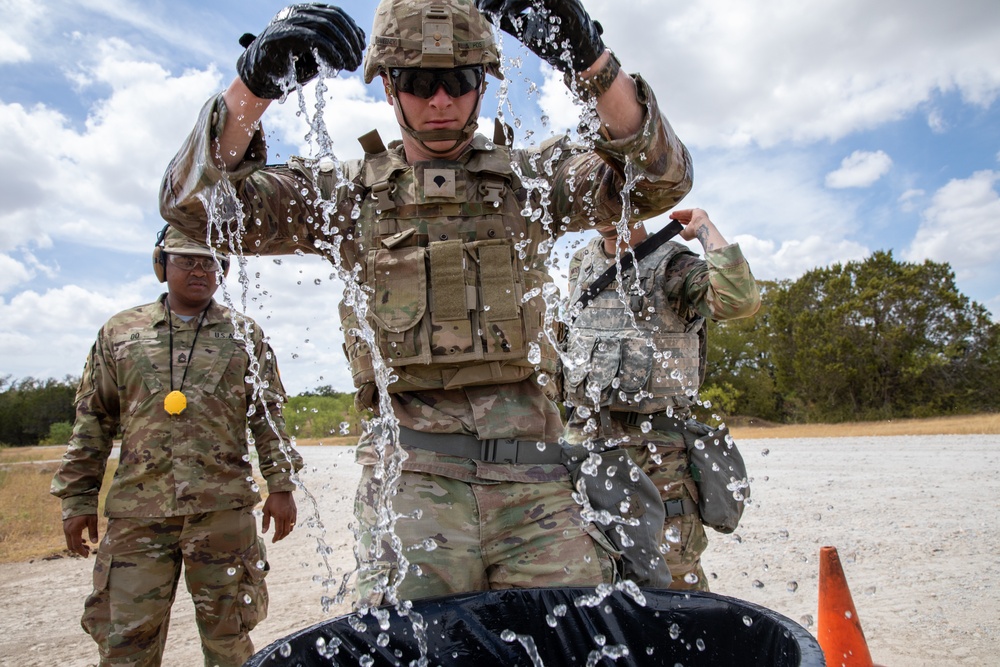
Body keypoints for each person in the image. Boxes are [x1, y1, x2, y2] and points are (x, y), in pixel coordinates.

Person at [160, 0, 693, 605]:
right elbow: (193, 208)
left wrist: (591, 60)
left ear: (485, 85)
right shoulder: (344, 197)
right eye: (418, 83)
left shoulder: (531, 184)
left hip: (536, 487)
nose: (440, 102)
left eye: (459, 81)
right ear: (388, 87)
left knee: (570, 641)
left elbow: (659, 179)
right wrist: (251, 87)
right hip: (410, 487)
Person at [51, 226, 303, 667]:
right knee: (126, 642)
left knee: (231, 639)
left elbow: (268, 415)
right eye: (186, 259)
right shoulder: (120, 332)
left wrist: (281, 484)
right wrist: (77, 498)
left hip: (223, 512)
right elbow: (93, 419)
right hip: (138, 515)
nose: (200, 270)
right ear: (160, 265)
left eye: (211, 262)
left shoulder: (244, 334)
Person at [561, 207, 760, 591]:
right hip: (587, 444)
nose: (605, 208)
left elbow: (739, 300)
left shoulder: (673, 265)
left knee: (672, 584)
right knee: (592, 580)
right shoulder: (581, 264)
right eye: (597, 198)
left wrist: (703, 228)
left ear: (639, 203)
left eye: (616, 197)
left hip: (658, 454)